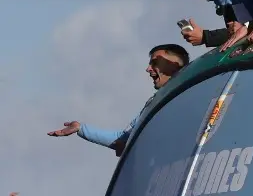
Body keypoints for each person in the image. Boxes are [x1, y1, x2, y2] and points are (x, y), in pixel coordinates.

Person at [47, 44, 190, 155]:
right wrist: (80, 128)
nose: (148, 69)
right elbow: (123, 139)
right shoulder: (153, 103)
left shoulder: (192, 97)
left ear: (173, 64)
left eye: (155, 63)